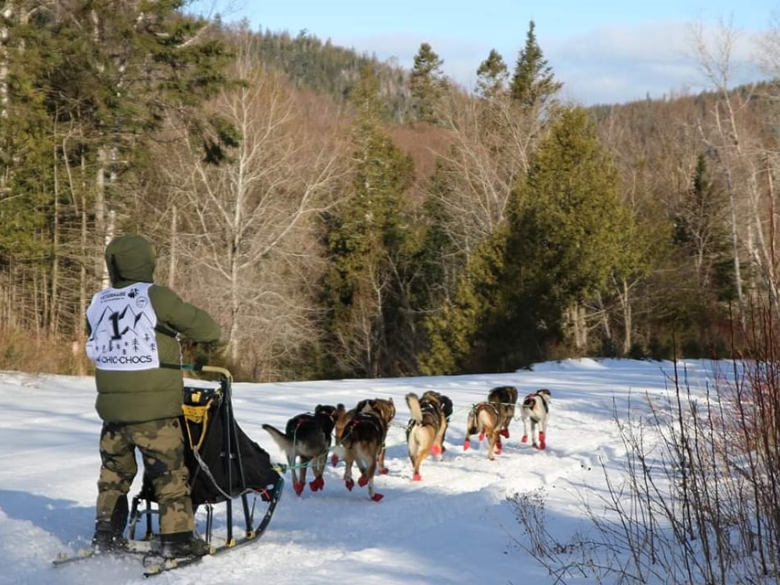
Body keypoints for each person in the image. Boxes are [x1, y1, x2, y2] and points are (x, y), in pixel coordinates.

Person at [85, 234, 221, 559]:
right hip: (155, 415)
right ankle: (177, 540)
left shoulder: (98, 302)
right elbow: (208, 330)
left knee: (113, 475)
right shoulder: (156, 297)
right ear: (148, 262)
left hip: (113, 415)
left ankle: (106, 533)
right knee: (169, 474)